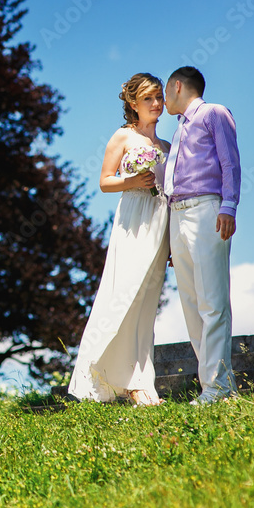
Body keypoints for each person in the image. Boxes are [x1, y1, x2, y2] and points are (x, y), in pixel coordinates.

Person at [68, 73, 171, 406]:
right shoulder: (122, 137)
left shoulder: (168, 148)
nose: (156, 104)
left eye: (159, 97)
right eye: (148, 99)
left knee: (146, 302)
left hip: (159, 222)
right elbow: (104, 182)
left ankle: (138, 381)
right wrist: (133, 181)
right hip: (132, 221)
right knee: (122, 294)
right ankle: (97, 377)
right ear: (133, 104)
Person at [163, 66, 240, 405]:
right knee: (192, 305)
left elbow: (230, 162)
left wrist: (229, 206)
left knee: (213, 302)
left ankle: (219, 388)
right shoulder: (179, 127)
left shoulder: (213, 113)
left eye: (165, 91)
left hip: (207, 210)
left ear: (177, 86)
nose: (163, 99)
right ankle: (214, 384)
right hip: (177, 217)